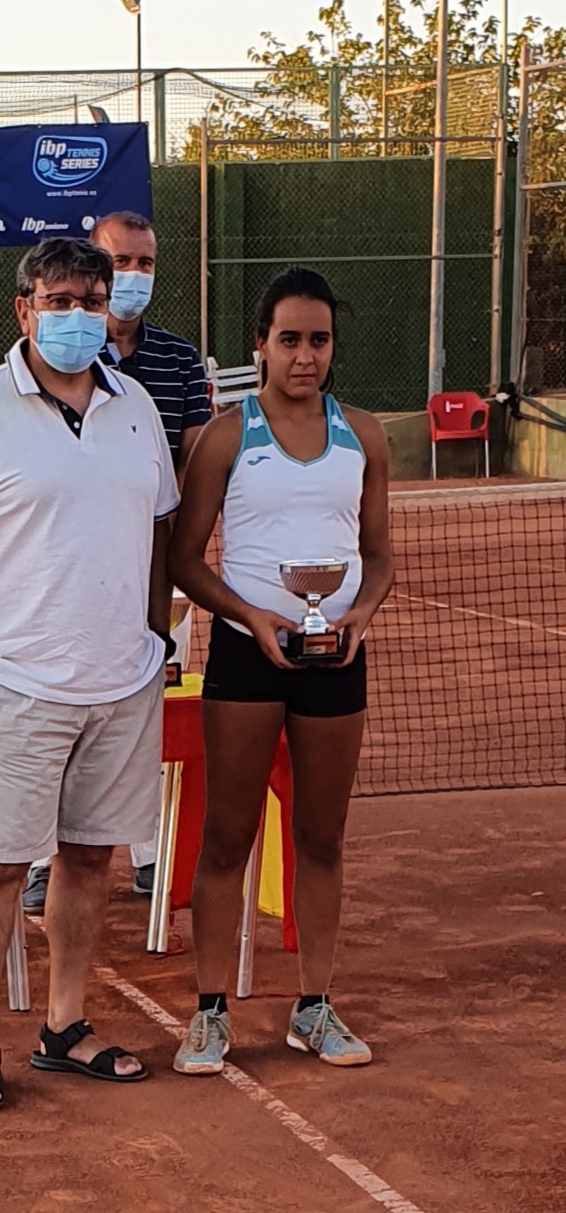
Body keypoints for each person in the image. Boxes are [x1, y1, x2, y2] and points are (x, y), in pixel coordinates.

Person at [0, 237, 179, 1110]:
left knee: (88, 857)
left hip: (120, 682)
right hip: (15, 682)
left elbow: (162, 529)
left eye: (90, 301)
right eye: (58, 300)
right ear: (23, 310)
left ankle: (64, 1025)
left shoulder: (135, 405)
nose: (76, 316)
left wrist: (151, 637)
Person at [167, 267, 393, 1073]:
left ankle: (314, 1007)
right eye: (288, 338)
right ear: (258, 344)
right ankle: (208, 1012)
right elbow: (185, 561)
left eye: (318, 340)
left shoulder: (363, 435)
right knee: (228, 835)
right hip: (244, 654)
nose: (303, 355)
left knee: (321, 837)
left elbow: (376, 555)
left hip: (333, 661)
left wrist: (357, 618)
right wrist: (251, 618)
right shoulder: (225, 437)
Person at [24, 210, 211, 913]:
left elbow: (196, 461)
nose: (132, 276)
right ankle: (43, 859)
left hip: (155, 572)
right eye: (119, 262)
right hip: (63, 585)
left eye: (144, 262)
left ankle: (152, 857)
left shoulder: (177, 360)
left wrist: (175, 567)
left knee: (152, 712)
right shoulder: (51, 359)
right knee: (58, 722)